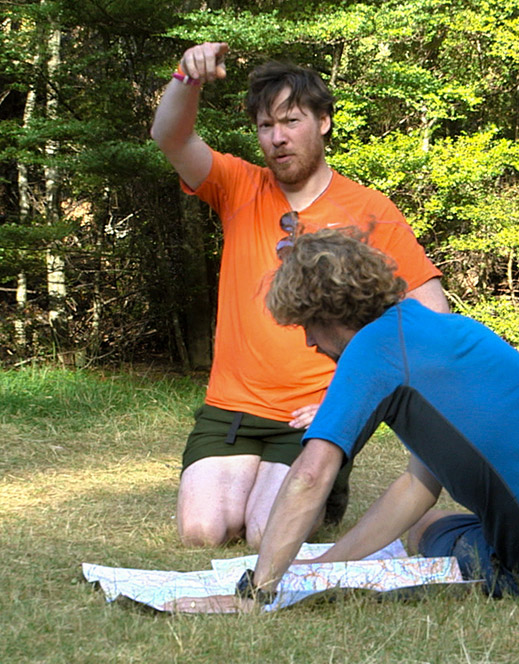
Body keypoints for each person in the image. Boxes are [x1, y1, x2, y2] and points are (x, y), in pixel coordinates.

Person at [171, 229, 519, 614]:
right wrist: (323, 566)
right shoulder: (437, 328)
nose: (308, 341)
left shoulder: (370, 350)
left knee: (429, 532)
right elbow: (417, 486)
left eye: (308, 325)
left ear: (330, 313)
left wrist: (259, 591)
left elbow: (310, 475)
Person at [150, 42, 447, 549]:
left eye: (291, 121)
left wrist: (358, 397)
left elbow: (430, 311)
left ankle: (327, 484)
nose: (277, 137)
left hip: (315, 409)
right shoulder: (237, 186)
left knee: (265, 534)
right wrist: (187, 76)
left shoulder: (369, 208)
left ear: (323, 122)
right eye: (266, 125)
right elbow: (170, 136)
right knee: (203, 532)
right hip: (233, 406)